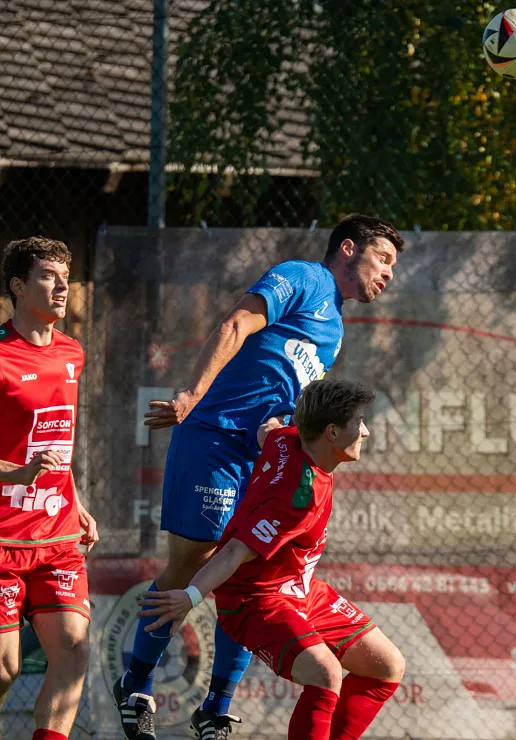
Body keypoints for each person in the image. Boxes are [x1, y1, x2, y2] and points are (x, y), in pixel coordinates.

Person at [113, 215, 403, 739]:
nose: (388, 273)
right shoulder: (303, 277)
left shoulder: (334, 324)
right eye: (383, 258)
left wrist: (287, 440)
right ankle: (136, 682)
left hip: (262, 454)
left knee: (250, 579)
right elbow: (235, 325)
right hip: (216, 438)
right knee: (193, 563)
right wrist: (193, 393)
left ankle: (216, 706)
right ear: (348, 248)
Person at [136, 380, 405, 740]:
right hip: (256, 600)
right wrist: (191, 597)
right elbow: (233, 551)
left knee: (386, 666)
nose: (366, 431)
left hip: (300, 590)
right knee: (325, 674)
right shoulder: (298, 498)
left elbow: (269, 430)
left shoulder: (289, 440)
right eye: (359, 422)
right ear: (331, 432)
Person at [0, 236, 101, 740]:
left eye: (66, 275)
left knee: (74, 652)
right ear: (18, 287)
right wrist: (16, 475)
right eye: (48, 276)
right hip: (2, 539)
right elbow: (24, 458)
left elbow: (57, 438)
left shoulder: (72, 352)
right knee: (4, 669)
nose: (63, 285)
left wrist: (77, 502)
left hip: (57, 535)